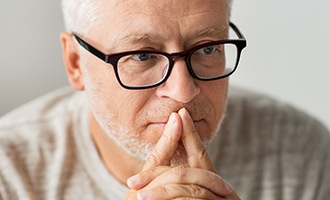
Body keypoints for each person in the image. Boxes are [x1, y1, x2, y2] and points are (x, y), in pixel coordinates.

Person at [0, 0, 329, 199]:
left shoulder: (302, 152)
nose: (184, 91)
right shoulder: (9, 172)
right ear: (75, 63)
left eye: (208, 48)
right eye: (142, 55)